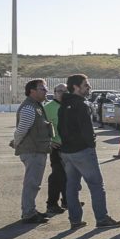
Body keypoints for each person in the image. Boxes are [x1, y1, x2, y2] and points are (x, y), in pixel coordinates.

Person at [59, 74, 120, 230]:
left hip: (66, 151)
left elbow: (60, 128)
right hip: (82, 151)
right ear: (76, 87)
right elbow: (86, 130)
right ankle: (101, 218)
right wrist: (90, 145)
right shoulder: (81, 105)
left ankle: (75, 220)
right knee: (96, 185)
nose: (89, 88)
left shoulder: (63, 104)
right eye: (86, 85)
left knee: (71, 186)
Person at [10, 79, 53, 224]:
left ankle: (30, 209)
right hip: (32, 151)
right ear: (32, 91)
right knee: (32, 183)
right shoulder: (29, 108)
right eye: (42, 88)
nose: (46, 91)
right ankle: (28, 213)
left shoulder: (37, 106)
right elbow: (21, 130)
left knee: (34, 183)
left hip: (37, 150)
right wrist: (16, 143)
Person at [43, 83, 68, 215]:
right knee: (57, 176)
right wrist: (49, 141)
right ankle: (52, 203)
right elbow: (40, 128)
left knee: (69, 176)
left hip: (70, 147)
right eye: (60, 91)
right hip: (57, 147)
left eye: (65, 91)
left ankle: (67, 200)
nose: (63, 93)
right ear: (54, 92)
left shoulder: (69, 106)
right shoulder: (47, 108)